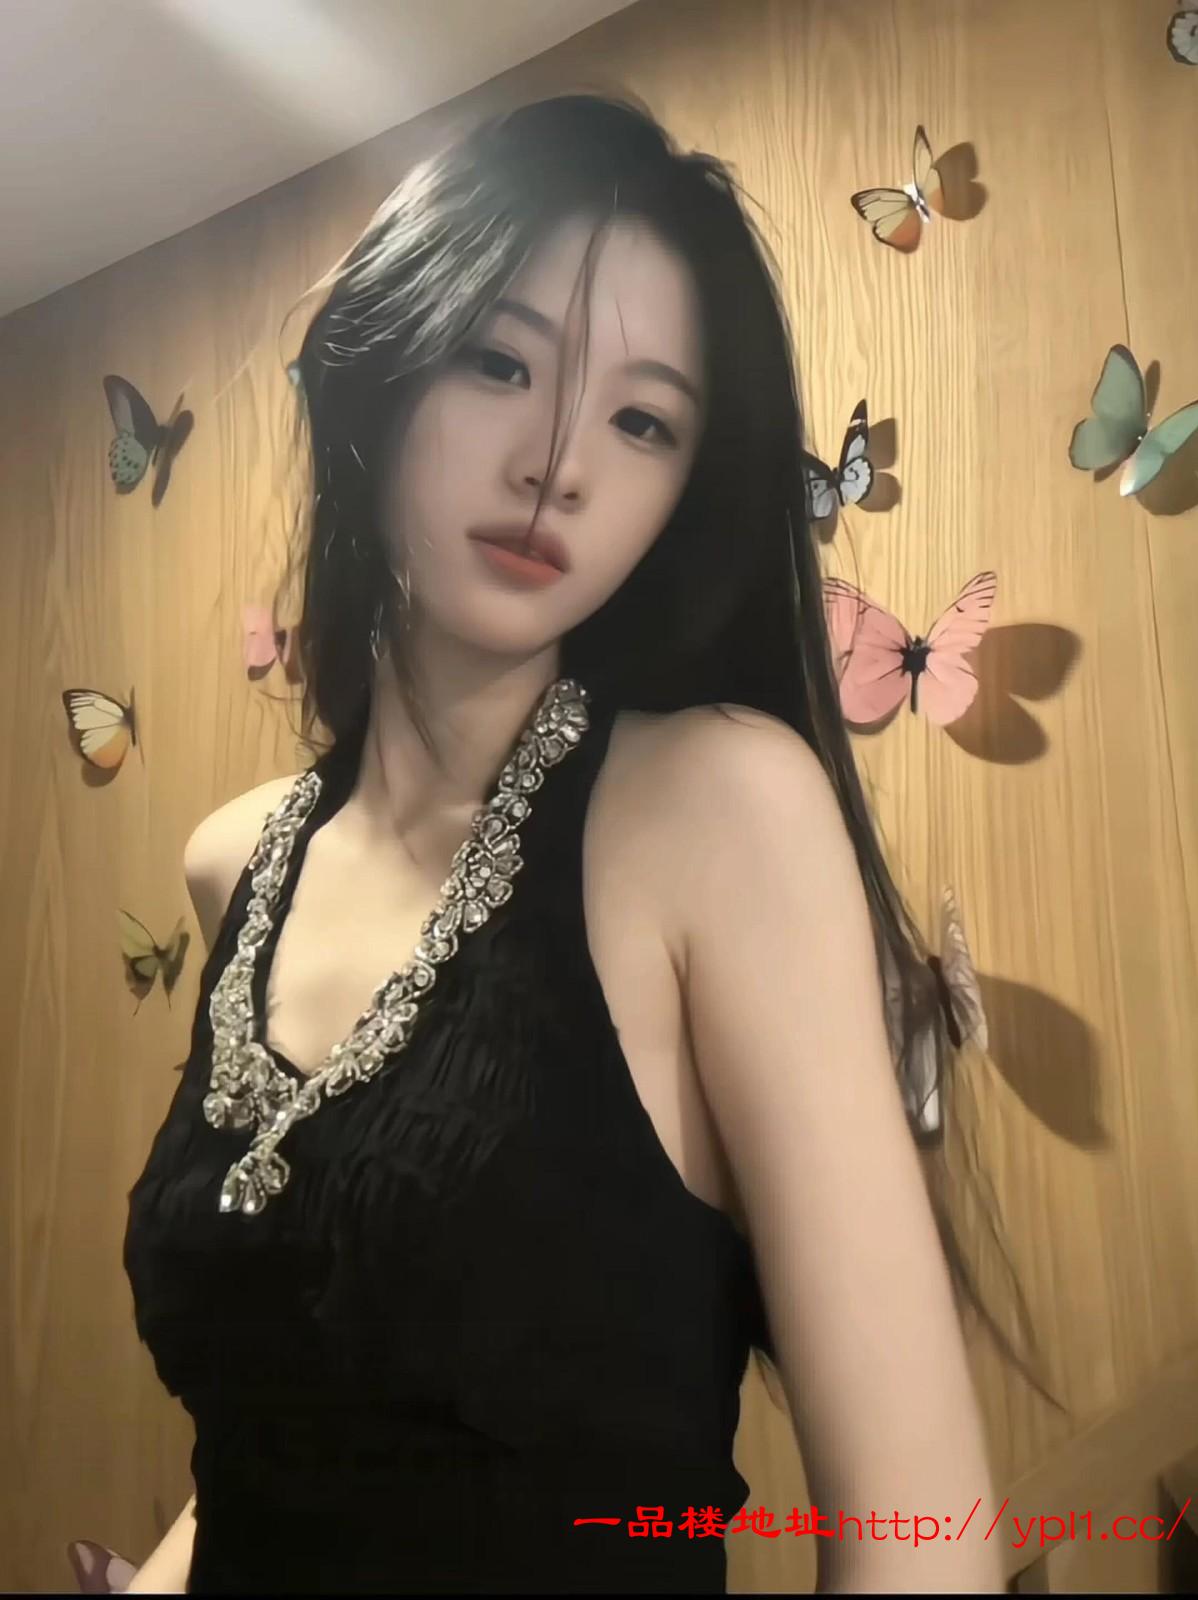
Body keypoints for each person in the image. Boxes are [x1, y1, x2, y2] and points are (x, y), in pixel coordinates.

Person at [122, 90, 1009, 1593]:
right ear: (382, 368)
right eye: (500, 361)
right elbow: (270, 1463)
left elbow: (925, 1544)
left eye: (642, 420)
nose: (559, 463)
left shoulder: (719, 808)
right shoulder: (234, 860)